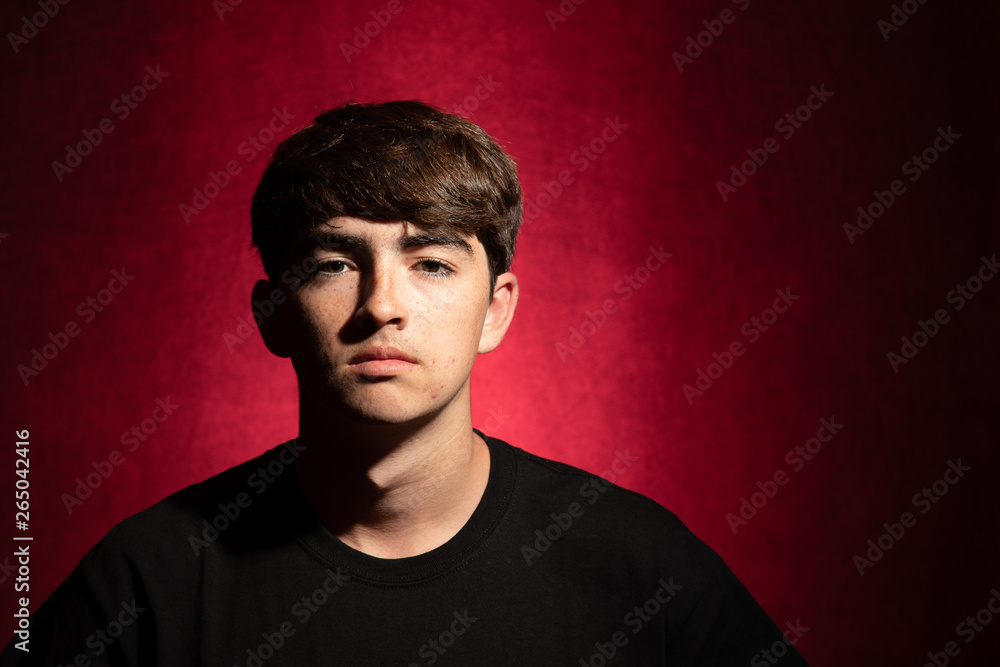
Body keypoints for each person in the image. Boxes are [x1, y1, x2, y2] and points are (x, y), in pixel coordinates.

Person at [1, 101, 809, 666]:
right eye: (333, 263)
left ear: (496, 310)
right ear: (273, 313)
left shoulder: (641, 566)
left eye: (429, 262)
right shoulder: (151, 577)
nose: (381, 305)